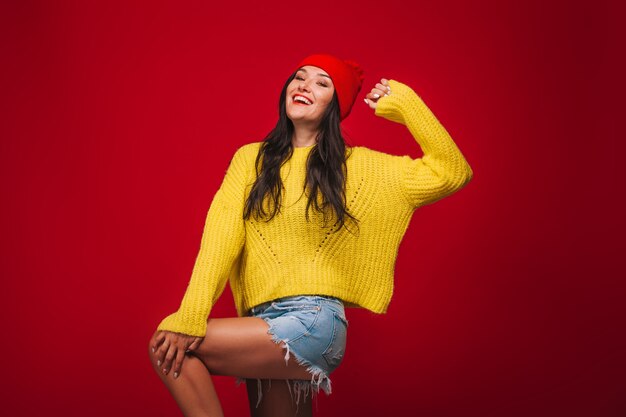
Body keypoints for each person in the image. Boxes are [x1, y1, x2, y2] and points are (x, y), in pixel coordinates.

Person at [148, 53, 473, 417]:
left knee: (171, 347)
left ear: (335, 104)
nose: (304, 85)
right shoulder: (251, 160)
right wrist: (192, 313)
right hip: (261, 320)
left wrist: (408, 106)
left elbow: (452, 172)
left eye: (322, 83)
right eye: (299, 77)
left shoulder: (360, 168)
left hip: (312, 321)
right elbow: (220, 239)